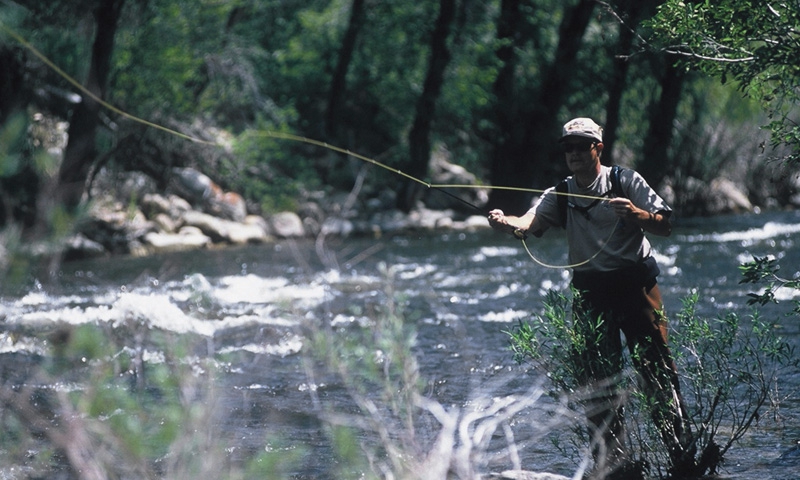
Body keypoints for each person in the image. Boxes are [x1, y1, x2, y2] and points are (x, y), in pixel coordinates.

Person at [487, 117, 695, 479]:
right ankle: (612, 466)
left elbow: (664, 224)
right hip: (591, 293)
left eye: (581, 146)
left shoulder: (626, 180)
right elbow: (529, 223)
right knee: (597, 382)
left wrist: (636, 214)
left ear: (598, 148)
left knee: (656, 371)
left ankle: (682, 457)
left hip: (636, 287)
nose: (574, 153)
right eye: (568, 148)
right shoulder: (560, 193)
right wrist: (506, 223)